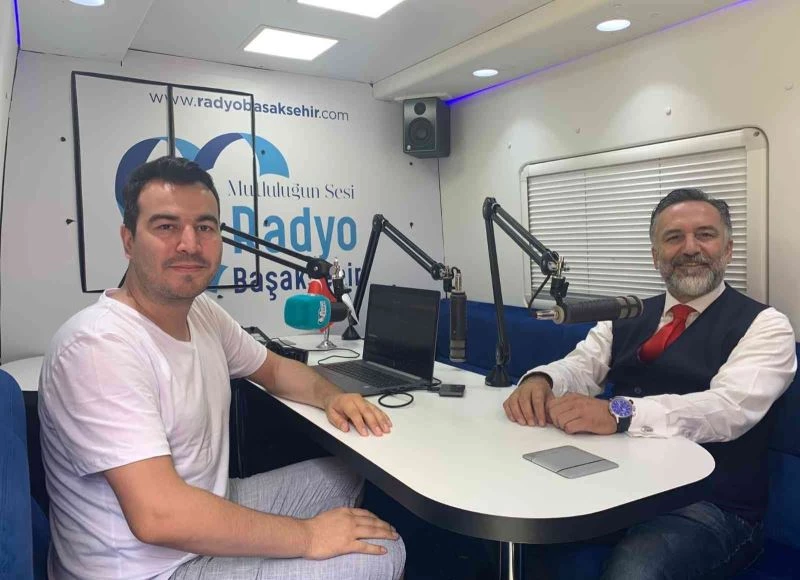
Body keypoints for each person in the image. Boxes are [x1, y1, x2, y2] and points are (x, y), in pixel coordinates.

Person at [38, 156, 405, 580]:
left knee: (344, 477)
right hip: (150, 568)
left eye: (205, 228)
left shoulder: (201, 312)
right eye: (166, 226)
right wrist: (308, 537)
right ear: (128, 240)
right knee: (381, 556)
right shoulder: (97, 346)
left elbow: (274, 370)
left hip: (204, 501)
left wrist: (332, 396)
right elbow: (158, 516)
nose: (189, 244)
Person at [503, 188, 796, 579]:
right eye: (674, 237)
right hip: (617, 479)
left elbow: (728, 410)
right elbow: (582, 365)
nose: (690, 248)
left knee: (635, 571)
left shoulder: (766, 325)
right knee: (520, 526)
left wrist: (620, 413)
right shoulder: (628, 312)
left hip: (710, 503)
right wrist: (543, 379)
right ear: (656, 256)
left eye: (705, 235)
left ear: (727, 250)